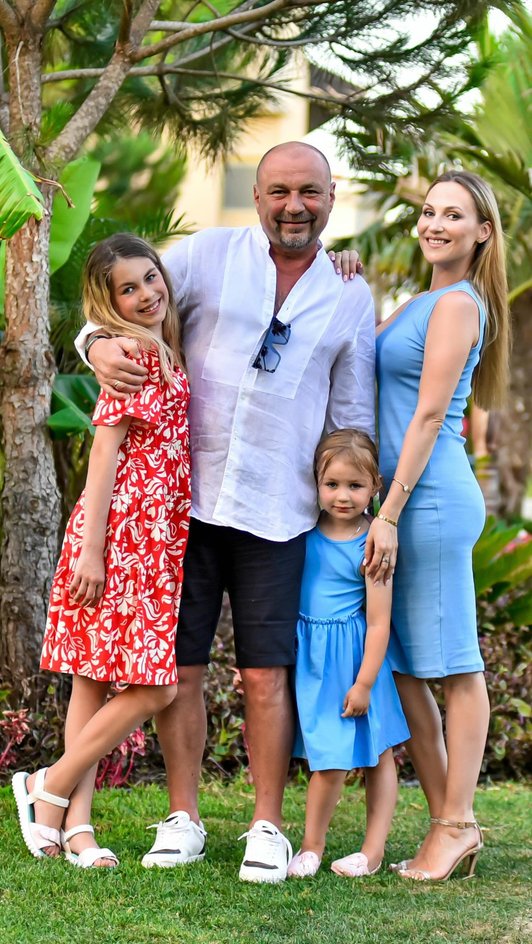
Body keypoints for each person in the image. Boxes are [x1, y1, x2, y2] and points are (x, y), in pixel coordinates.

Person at [76, 141, 375, 882]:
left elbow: (352, 415)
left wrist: (357, 516)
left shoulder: (349, 292)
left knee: (266, 676)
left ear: (331, 198)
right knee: (180, 669)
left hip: (280, 510)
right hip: (186, 503)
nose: (294, 206)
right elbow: (122, 296)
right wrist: (93, 345)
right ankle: (183, 817)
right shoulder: (209, 254)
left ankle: (267, 826)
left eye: (309, 192)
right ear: (259, 196)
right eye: (279, 191)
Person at [13, 234, 191, 868]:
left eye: (150, 278)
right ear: (108, 301)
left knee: (94, 678)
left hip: (158, 539)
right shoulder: (131, 356)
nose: (146, 294)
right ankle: (54, 789)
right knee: (153, 688)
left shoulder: (166, 346)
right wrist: (92, 551)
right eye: (128, 288)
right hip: (118, 536)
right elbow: (104, 454)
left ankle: (70, 819)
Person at [366, 170, 510, 881]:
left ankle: (455, 825)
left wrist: (389, 512)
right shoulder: (421, 300)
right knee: (401, 667)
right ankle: (450, 822)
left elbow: (427, 416)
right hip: (403, 499)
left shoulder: (457, 304)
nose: (435, 224)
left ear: (482, 232)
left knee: (456, 666)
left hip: (428, 501)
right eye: (428, 212)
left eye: (454, 215)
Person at [288, 429, 409, 879]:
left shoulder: (372, 545)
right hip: (313, 659)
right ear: (316, 483)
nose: (343, 496)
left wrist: (364, 683)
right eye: (332, 484)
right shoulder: (302, 534)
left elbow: (378, 622)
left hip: (356, 661)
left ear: (376, 485)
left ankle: (371, 851)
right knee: (328, 756)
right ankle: (312, 846)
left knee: (378, 754)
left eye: (355, 485)